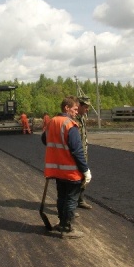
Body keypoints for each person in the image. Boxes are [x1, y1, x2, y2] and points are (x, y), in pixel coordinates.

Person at [44, 96, 91, 239]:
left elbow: (44, 139)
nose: (76, 112)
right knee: (71, 199)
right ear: (66, 108)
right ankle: (67, 228)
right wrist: (85, 170)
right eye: (75, 109)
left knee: (62, 197)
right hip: (70, 171)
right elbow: (77, 151)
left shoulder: (52, 122)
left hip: (57, 170)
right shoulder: (70, 125)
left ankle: (61, 223)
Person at [76, 96, 92, 209]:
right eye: (85, 107)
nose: (87, 109)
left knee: (83, 177)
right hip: (76, 153)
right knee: (74, 178)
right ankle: (71, 205)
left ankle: (80, 199)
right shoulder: (74, 118)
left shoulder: (82, 117)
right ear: (79, 106)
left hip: (83, 151)